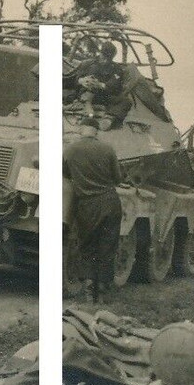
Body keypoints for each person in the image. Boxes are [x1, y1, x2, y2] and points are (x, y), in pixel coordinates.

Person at [64, 116, 123, 303]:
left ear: (81, 129)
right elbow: (118, 178)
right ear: (96, 132)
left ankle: (90, 292)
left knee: (88, 246)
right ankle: (104, 291)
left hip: (86, 205)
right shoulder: (107, 149)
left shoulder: (70, 149)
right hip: (109, 202)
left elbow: (64, 173)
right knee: (107, 245)